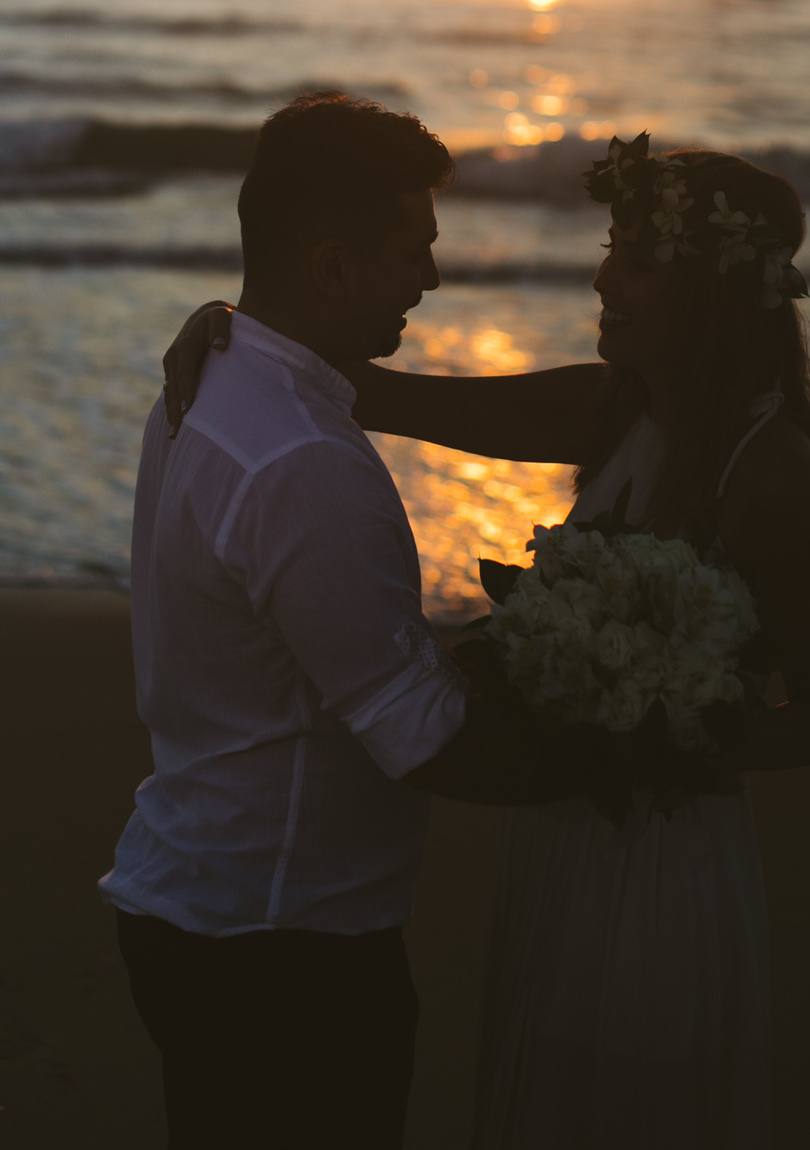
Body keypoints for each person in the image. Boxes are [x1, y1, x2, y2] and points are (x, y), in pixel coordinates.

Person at [164, 133, 810, 1149]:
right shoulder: (611, 410)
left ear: (710, 293)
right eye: (612, 248)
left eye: (637, 259)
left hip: (664, 860)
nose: (603, 277)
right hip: (563, 841)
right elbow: (370, 391)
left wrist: (661, 727)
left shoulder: (771, 478)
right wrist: (234, 329)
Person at [101, 92, 564, 1150]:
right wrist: (627, 745)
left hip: (200, 897)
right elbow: (421, 736)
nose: (431, 278)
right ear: (333, 266)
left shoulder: (207, 381)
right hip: (281, 946)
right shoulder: (303, 461)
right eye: (415, 250)